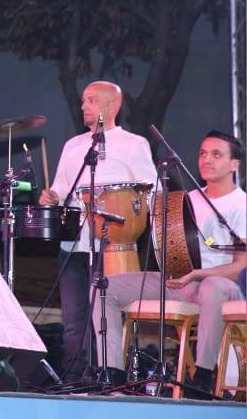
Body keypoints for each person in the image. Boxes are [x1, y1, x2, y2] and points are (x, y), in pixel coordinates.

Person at [91, 131, 245, 396]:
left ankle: (203, 377)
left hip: (222, 288)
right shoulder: (186, 200)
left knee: (211, 286)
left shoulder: (241, 204)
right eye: (203, 153)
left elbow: (240, 267)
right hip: (180, 282)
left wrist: (197, 274)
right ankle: (112, 373)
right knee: (104, 288)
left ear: (234, 164)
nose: (206, 159)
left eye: (216, 154)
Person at [37, 81, 156, 381]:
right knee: (74, 323)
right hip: (74, 244)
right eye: (83, 101)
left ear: (112, 106)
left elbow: (150, 193)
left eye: (91, 100)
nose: (83, 106)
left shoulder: (134, 144)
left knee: (105, 317)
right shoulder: (73, 145)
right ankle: (74, 382)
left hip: (113, 246)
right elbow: (61, 189)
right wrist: (52, 196)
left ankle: (108, 377)